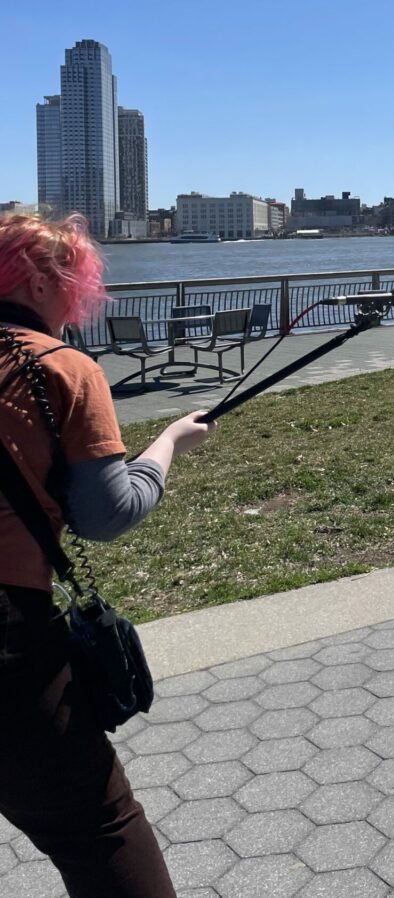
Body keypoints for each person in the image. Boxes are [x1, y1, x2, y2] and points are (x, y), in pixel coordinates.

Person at [0, 213, 214, 896]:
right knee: (99, 832)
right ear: (37, 280)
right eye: (73, 281)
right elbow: (106, 513)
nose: (78, 298)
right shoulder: (59, 367)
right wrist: (170, 445)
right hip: (9, 641)